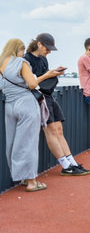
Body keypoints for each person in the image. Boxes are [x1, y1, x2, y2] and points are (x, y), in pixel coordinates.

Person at [25, 33, 90, 175]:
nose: (48, 52)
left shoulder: (43, 59)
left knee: (59, 130)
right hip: (37, 97)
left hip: (48, 95)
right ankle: (65, 165)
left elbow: (43, 78)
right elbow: (30, 83)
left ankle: (72, 162)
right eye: (47, 48)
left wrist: (54, 73)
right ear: (39, 44)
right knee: (51, 131)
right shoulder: (26, 59)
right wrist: (49, 75)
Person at [0, 39, 46, 192]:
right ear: (18, 49)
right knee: (28, 143)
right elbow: (32, 84)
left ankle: (22, 176)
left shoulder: (1, 64)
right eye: (22, 50)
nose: (23, 53)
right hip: (25, 104)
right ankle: (32, 182)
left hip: (9, 105)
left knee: (13, 143)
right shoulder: (21, 62)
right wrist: (46, 76)